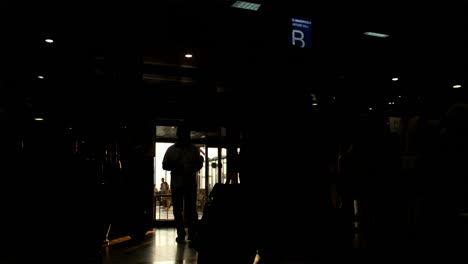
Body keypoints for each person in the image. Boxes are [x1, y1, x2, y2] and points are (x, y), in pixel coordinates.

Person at [163, 125, 204, 243]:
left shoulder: (172, 150)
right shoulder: (193, 150)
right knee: (191, 210)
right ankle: (191, 233)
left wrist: (175, 166)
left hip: (178, 184)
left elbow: (165, 165)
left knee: (179, 210)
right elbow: (198, 165)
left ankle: (181, 234)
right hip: (189, 183)